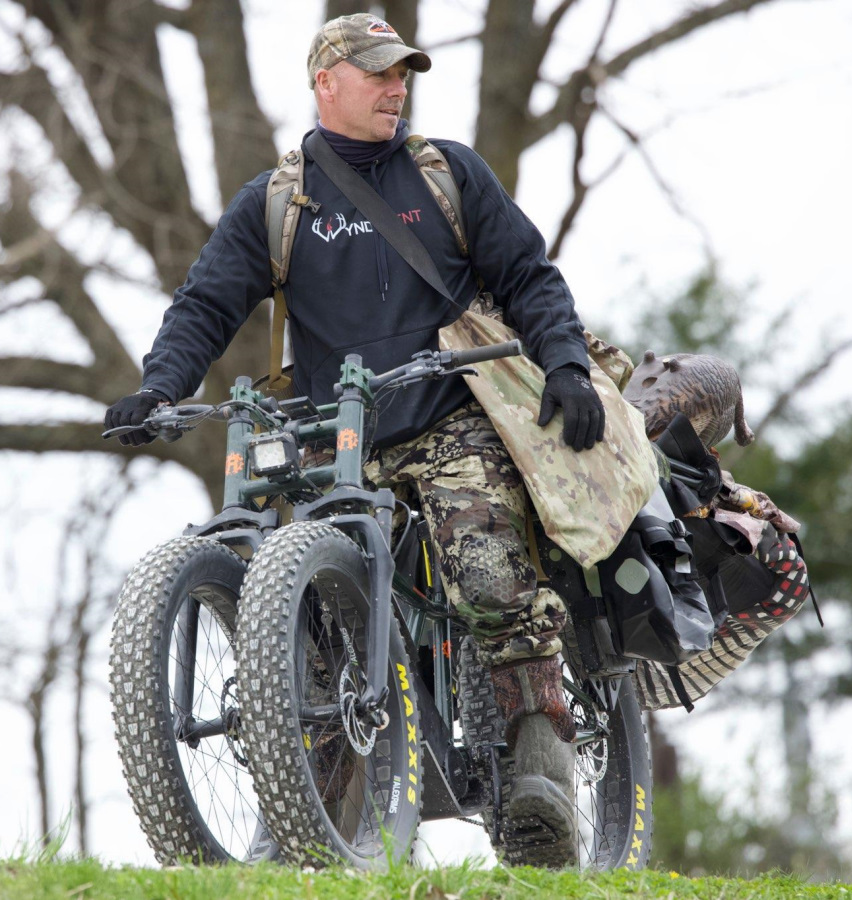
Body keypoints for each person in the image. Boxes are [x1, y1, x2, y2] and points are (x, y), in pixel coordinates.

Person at [105, 12, 606, 866]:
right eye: (378, 74)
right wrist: (158, 387)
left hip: (448, 421)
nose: (396, 87)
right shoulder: (277, 202)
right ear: (325, 83)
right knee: (291, 607)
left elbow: (527, 274)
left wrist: (566, 365)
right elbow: (206, 305)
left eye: (403, 72)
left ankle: (540, 771)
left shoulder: (447, 175)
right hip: (329, 444)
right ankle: (327, 806)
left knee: (487, 570)